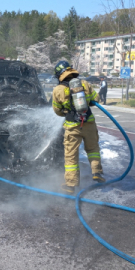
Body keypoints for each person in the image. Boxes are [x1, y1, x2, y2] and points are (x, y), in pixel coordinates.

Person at [52, 61, 105, 194]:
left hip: (72, 126)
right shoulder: (84, 84)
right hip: (89, 123)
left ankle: (70, 185)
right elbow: (96, 99)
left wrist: (66, 111)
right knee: (93, 149)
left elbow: (57, 110)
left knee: (71, 155)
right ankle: (97, 172)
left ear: (59, 75)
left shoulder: (58, 90)